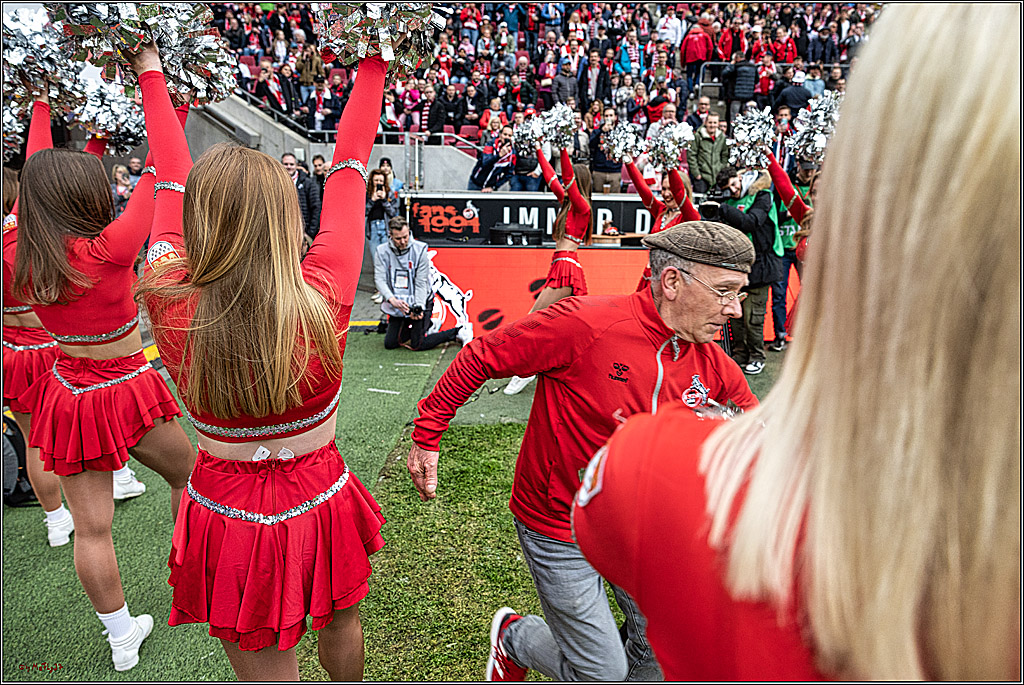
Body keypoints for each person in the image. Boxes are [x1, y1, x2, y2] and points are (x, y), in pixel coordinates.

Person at [573, 5, 1020, 680]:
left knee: (743, 332)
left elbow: (602, 509)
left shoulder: (654, 471)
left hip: (738, 292)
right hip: (691, 290)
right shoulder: (690, 218)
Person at [408, 220, 760, 682]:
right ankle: (514, 637)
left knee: (666, 653)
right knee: (601, 675)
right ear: (672, 282)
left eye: (740, 293)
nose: (734, 309)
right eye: (725, 292)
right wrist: (428, 432)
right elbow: (482, 356)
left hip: (645, 531)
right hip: (559, 525)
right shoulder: (586, 324)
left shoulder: (714, 363)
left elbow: (762, 437)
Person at [133, 43, 387, 681]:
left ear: (198, 221)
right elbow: (351, 167)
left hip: (225, 506)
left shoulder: (166, 295)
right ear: (284, 215)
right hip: (319, 491)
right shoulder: (325, 290)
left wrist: (149, 72)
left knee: (263, 656)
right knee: (341, 620)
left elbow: (170, 178)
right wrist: (375, 63)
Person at [7, 82, 194, 672]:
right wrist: (168, 92)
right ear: (88, 191)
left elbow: (38, 173)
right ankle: (193, 583)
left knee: (91, 530)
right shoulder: (110, 246)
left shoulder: (19, 251)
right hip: (122, 387)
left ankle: (120, 638)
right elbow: (168, 169)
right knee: (191, 476)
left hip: (65, 391)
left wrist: (41, 107)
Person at [503, 142, 595, 396]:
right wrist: (539, 151)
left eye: (572, 181)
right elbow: (551, 177)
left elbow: (564, 177)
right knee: (564, 326)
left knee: (533, 319)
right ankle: (561, 368)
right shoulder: (567, 203)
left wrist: (564, 148)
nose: (566, 184)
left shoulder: (582, 207)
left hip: (566, 268)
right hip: (560, 266)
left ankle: (526, 371)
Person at [704, 165, 782, 375]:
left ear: (740, 177)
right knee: (735, 315)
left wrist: (721, 207)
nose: (733, 189)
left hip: (761, 265)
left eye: (734, 183)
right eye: (728, 187)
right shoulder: (728, 200)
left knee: (753, 317)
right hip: (736, 265)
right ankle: (740, 353)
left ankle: (757, 355)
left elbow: (751, 222)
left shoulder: (763, 195)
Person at [375, 217, 469, 351]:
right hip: (397, 303)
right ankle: (429, 324)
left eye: (405, 237)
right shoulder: (382, 251)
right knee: (390, 344)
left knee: (417, 344)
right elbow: (379, 279)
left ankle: (457, 332)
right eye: (398, 238)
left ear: (409, 232)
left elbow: (421, 283)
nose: (403, 242)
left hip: (420, 299)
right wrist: (391, 299)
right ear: (390, 235)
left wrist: (418, 307)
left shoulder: (420, 250)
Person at [622, 154, 700, 290]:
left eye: (671, 189)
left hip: (672, 282)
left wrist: (670, 167)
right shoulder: (661, 210)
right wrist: (629, 163)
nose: (666, 194)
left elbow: (679, 192)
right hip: (650, 276)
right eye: (664, 189)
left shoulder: (690, 216)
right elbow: (642, 189)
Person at [365, 168, 400, 294]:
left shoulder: (389, 194)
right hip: (373, 228)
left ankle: (387, 289)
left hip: (385, 228)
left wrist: (384, 200)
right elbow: (363, 212)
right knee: (376, 260)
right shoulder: (367, 194)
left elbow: (393, 213)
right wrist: (372, 200)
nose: (378, 183)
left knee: (387, 259)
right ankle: (380, 289)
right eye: (376, 180)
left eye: (381, 180)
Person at [280, 153, 321, 239]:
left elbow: (316, 207)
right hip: (283, 233)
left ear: (296, 165)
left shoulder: (308, 183)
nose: (289, 167)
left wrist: (310, 233)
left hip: (303, 233)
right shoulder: (277, 183)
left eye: (291, 164)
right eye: (286, 164)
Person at [688, 112, 728, 195]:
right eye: (710, 122)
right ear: (705, 123)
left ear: (718, 124)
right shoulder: (698, 136)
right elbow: (692, 155)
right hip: (702, 177)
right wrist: (697, 174)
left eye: (715, 123)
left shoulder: (721, 137)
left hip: (717, 177)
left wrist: (722, 169)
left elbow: (724, 155)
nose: (712, 125)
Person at [468, 125, 516, 192]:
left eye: (509, 135)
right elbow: (485, 163)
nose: (507, 137)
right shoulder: (490, 145)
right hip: (476, 183)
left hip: (490, 187)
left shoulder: (512, 153)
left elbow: (509, 174)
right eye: (505, 134)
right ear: (500, 135)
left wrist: (494, 186)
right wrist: (499, 156)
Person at [589, 107, 622, 193]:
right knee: (597, 198)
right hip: (599, 171)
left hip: (615, 170)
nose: (608, 118)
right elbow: (591, 145)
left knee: (615, 199)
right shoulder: (597, 131)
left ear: (615, 117)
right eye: (606, 116)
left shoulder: (620, 132)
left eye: (611, 115)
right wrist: (601, 131)